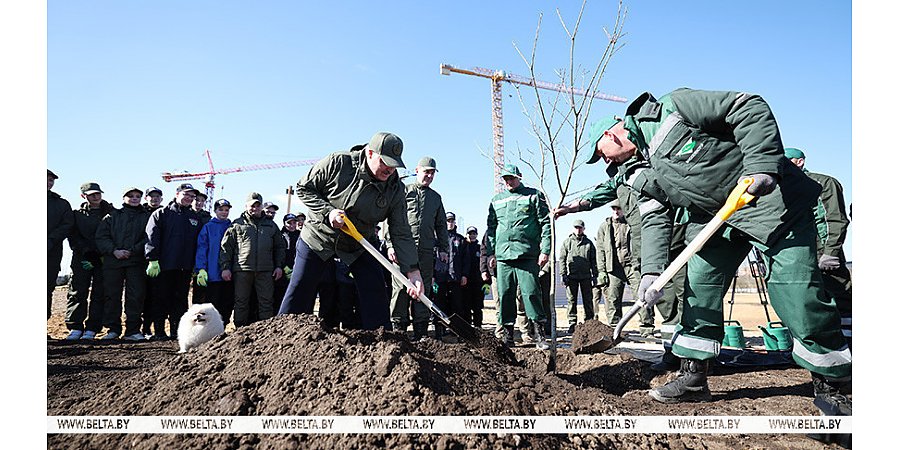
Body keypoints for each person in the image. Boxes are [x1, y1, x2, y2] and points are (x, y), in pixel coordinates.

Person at [579, 89, 851, 415]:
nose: (605, 161)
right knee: (699, 287)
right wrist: (651, 273)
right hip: (716, 219)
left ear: (612, 134)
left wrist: (763, 165)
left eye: (602, 153)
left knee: (796, 293)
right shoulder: (636, 171)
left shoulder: (670, 109)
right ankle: (693, 378)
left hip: (775, 206)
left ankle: (834, 385)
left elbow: (747, 106)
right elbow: (654, 217)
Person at [278, 132, 423, 331]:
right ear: (370, 153)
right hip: (319, 238)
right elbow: (304, 188)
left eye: (394, 164)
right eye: (385, 162)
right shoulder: (338, 163)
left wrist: (412, 270)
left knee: (376, 290)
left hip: (359, 242)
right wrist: (328, 212)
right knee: (300, 288)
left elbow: (401, 231)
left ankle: (385, 343)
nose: (389, 169)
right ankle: (282, 335)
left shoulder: (395, 189)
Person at [785, 148, 852, 348]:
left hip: (822, 250)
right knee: (805, 303)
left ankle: (849, 348)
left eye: (787, 161)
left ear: (799, 162)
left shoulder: (822, 183)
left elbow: (835, 218)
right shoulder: (782, 188)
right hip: (796, 252)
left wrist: (830, 252)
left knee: (839, 299)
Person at [486, 164, 551, 350]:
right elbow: (491, 228)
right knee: (505, 296)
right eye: (506, 179)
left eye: (512, 178)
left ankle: (539, 335)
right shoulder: (496, 200)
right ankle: (507, 336)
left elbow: (545, 224)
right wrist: (491, 252)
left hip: (527, 255)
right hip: (504, 257)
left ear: (519, 177)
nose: (509, 182)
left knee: (531, 294)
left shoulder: (533, 195)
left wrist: (545, 250)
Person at [385, 156, 449, 340]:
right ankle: (399, 330)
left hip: (425, 252)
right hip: (402, 250)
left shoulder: (436, 198)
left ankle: (421, 331)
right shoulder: (403, 190)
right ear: (417, 170)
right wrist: (390, 244)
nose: (429, 175)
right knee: (400, 289)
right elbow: (391, 219)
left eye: (432, 173)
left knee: (423, 289)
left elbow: (441, 225)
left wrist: (444, 248)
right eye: (426, 171)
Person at [144, 183, 204, 340]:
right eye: (186, 195)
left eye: (192, 196)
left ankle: (176, 331)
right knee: (161, 298)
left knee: (180, 300)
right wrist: (152, 259)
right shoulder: (161, 214)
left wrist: (197, 267)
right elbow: (151, 237)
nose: (189, 198)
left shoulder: (194, 217)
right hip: (164, 266)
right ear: (177, 194)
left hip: (184, 267)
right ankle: (159, 331)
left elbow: (199, 243)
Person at [220, 193, 286, 327]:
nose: (255, 208)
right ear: (246, 206)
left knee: (266, 302)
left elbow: (280, 247)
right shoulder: (237, 224)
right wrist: (225, 267)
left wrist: (278, 266)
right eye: (252, 205)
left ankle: (265, 331)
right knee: (241, 301)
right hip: (242, 270)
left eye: (258, 205)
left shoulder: (271, 225)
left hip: (265, 271)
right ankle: (239, 330)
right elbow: (226, 247)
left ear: (262, 206)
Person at [94, 187, 151, 341]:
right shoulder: (112, 216)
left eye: (138, 196)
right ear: (124, 197)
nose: (134, 198)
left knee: (135, 296)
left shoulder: (147, 217)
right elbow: (101, 237)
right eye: (131, 196)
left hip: (136, 262)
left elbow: (149, 237)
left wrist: (132, 251)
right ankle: (113, 329)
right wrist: (114, 251)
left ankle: (132, 330)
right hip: (113, 262)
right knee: (112, 296)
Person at [595, 201, 655, 336]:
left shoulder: (632, 224)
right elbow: (600, 250)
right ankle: (615, 329)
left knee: (642, 295)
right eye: (614, 209)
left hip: (632, 265)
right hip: (613, 267)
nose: (616, 211)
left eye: (619, 209)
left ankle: (647, 328)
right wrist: (602, 271)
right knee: (613, 298)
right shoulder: (604, 227)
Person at [65, 182, 116, 340]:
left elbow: (115, 234)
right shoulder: (76, 214)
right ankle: (75, 327)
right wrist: (86, 252)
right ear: (83, 196)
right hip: (82, 258)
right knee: (77, 292)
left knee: (99, 294)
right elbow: (73, 235)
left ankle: (93, 328)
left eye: (98, 193)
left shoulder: (112, 213)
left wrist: (102, 253)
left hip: (104, 259)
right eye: (92, 194)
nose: (96, 196)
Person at [195, 199, 234, 326]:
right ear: (215, 210)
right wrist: (201, 268)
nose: (224, 212)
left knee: (227, 302)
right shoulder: (208, 227)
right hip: (213, 273)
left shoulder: (233, 226)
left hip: (229, 273)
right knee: (213, 302)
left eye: (226, 210)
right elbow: (202, 248)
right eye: (221, 209)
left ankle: (224, 326)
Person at [559, 219, 598, 333]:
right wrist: (563, 274)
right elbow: (562, 259)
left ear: (584, 229)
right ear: (573, 228)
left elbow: (593, 261)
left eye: (580, 227)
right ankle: (572, 324)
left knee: (588, 301)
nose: (578, 229)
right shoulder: (567, 242)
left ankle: (589, 323)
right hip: (572, 277)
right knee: (571, 301)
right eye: (576, 227)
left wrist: (595, 275)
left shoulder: (589, 243)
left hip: (586, 276)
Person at [432, 211, 466, 340]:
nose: (450, 223)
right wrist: (433, 275)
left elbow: (465, 260)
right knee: (439, 305)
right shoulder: (436, 240)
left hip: (455, 278)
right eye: (447, 220)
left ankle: (458, 332)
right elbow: (432, 258)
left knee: (457, 305)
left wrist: (464, 275)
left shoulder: (460, 239)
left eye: (452, 220)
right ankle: (439, 332)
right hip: (440, 278)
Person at [48, 170, 74, 322]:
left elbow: (67, 224)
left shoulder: (61, 204)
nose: (49, 183)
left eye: (51, 180)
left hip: (51, 252)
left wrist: (51, 240)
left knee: (46, 289)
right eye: (46, 179)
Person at [140, 185, 164, 336]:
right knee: (142, 296)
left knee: (157, 296)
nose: (154, 199)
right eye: (151, 196)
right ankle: (144, 327)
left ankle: (156, 328)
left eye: (157, 197)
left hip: (159, 261)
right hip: (140, 260)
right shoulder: (140, 213)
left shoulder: (164, 213)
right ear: (146, 198)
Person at [273, 213, 302, 308]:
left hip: (297, 269)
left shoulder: (300, 236)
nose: (292, 225)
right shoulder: (280, 235)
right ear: (285, 223)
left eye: (294, 223)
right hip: (282, 271)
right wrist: (284, 268)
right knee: (280, 296)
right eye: (289, 223)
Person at [460, 226, 485, 328]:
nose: (472, 235)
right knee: (466, 306)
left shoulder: (480, 248)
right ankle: (468, 327)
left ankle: (478, 327)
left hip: (478, 282)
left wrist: (486, 283)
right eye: (470, 234)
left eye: (474, 233)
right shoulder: (463, 247)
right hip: (466, 282)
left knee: (477, 307)